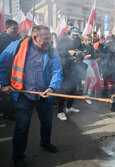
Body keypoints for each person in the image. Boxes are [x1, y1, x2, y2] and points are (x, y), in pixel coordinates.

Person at [0, 25, 63, 167]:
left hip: (44, 95)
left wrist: (52, 87)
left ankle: (45, 142)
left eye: (50, 39)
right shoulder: (16, 46)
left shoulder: (52, 51)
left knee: (47, 122)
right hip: (23, 95)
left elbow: (57, 71)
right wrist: (4, 83)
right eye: (46, 39)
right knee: (22, 126)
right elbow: (1, 63)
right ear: (34, 38)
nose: (49, 42)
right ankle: (18, 157)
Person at [56, 26, 87, 121]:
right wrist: (68, 52)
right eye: (74, 35)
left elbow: (82, 53)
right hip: (65, 67)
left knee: (73, 88)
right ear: (69, 33)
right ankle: (60, 111)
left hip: (76, 67)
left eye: (77, 35)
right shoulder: (62, 41)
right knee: (64, 89)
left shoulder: (78, 41)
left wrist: (79, 58)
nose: (75, 37)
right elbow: (57, 53)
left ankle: (69, 107)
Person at [0, 19, 20, 120]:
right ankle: (7, 113)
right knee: (6, 93)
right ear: (6, 28)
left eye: (17, 28)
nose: (16, 30)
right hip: (4, 69)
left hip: (13, 70)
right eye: (13, 28)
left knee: (12, 92)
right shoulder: (2, 39)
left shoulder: (17, 37)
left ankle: (11, 110)